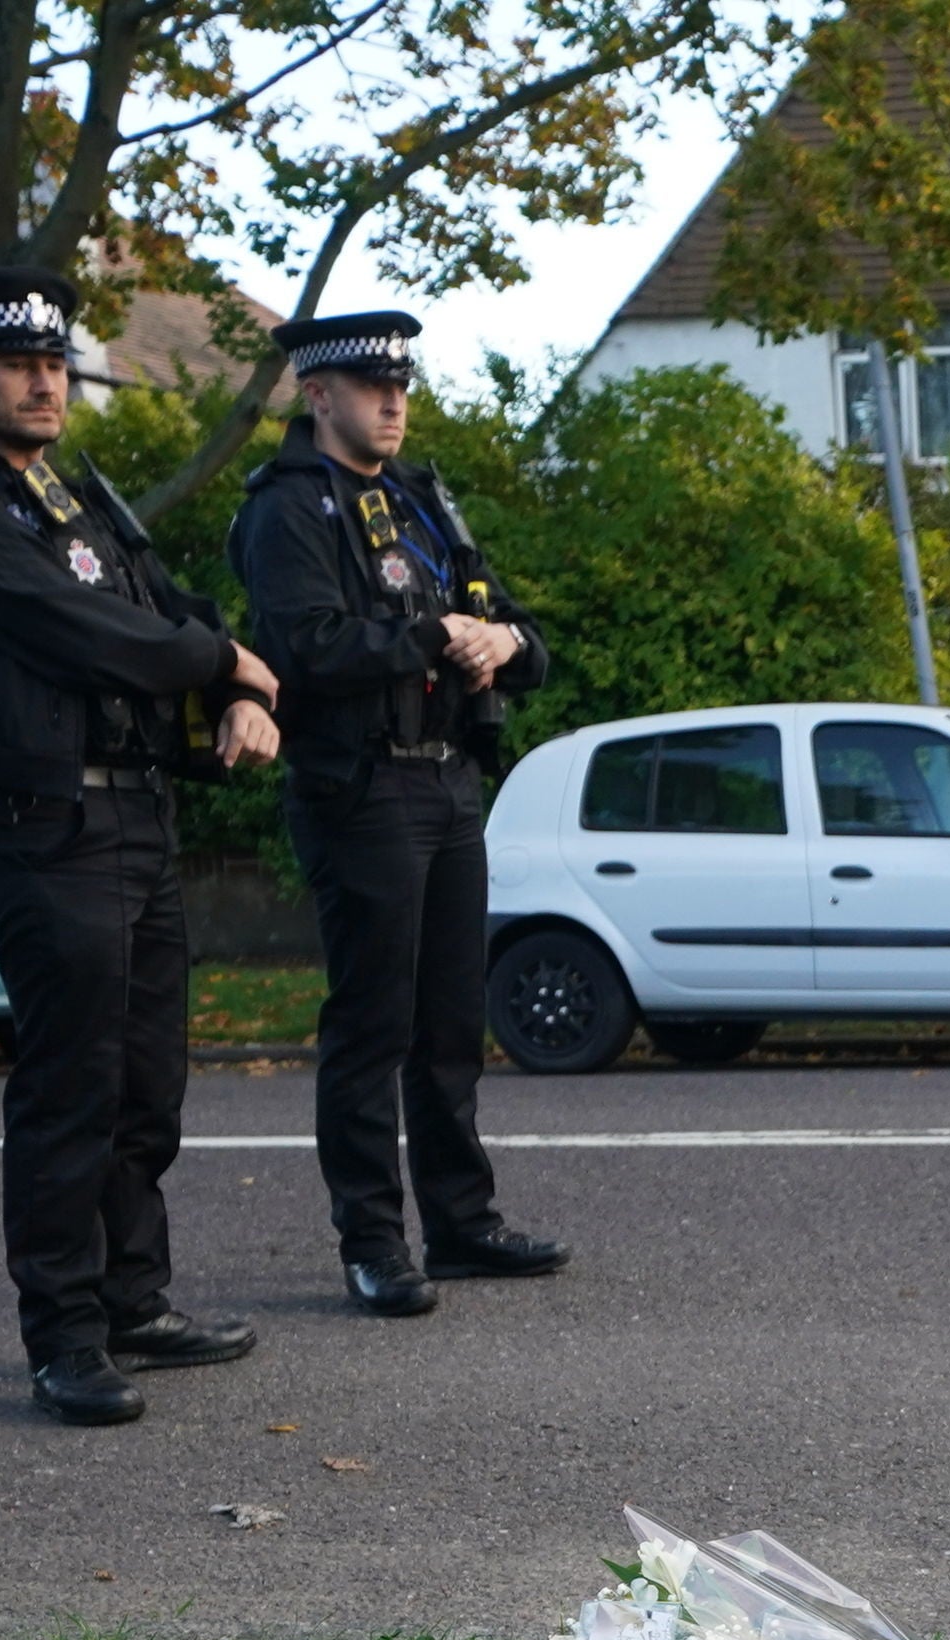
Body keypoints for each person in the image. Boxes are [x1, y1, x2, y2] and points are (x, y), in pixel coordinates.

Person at [0, 268, 280, 1425]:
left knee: (149, 1085)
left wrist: (242, 692)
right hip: (46, 827)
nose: (44, 379)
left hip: (137, 816)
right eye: (17, 364)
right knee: (73, 1091)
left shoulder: (75, 495)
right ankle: (62, 1334)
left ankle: (130, 1301)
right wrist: (220, 665)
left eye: (55, 363)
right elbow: (92, 632)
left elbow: (168, 607)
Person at [229, 313, 566, 1315]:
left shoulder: (421, 504)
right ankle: (372, 1241)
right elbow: (307, 648)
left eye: (401, 385)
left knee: (451, 1021)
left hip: (447, 782)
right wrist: (435, 634)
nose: (392, 402)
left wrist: (500, 646)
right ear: (314, 393)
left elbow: (519, 630)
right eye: (369, 385)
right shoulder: (288, 510)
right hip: (361, 788)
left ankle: (461, 1223)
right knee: (374, 1025)